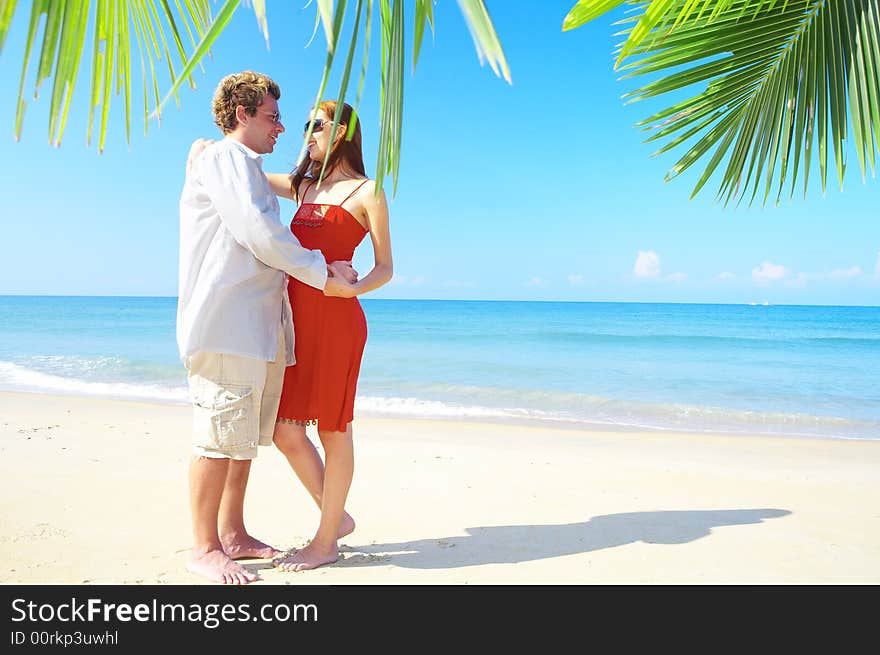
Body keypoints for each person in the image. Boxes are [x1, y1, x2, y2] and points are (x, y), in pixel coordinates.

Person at [177, 71, 357, 585]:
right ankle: (205, 546)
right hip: (225, 324)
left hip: (254, 328)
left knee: (242, 440)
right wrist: (326, 273)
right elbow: (262, 234)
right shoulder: (226, 159)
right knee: (216, 439)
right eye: (274, 117)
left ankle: (232, 533)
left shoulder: (245, 167)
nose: (282, 129)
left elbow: (276, 217)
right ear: (243, 115)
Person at [266, 100, 393, 571]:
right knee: (284, 430)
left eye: (315, 125)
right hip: (293, 320)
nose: (307, 134)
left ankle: (324, 542)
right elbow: (247, 173)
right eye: (305, 126)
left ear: (341, 131)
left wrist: (351, 288)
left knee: (333, 430)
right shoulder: (303, 186)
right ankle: (336, 519)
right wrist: (207, 148)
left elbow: (386, 268)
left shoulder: (368, 191)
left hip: (338, 320)